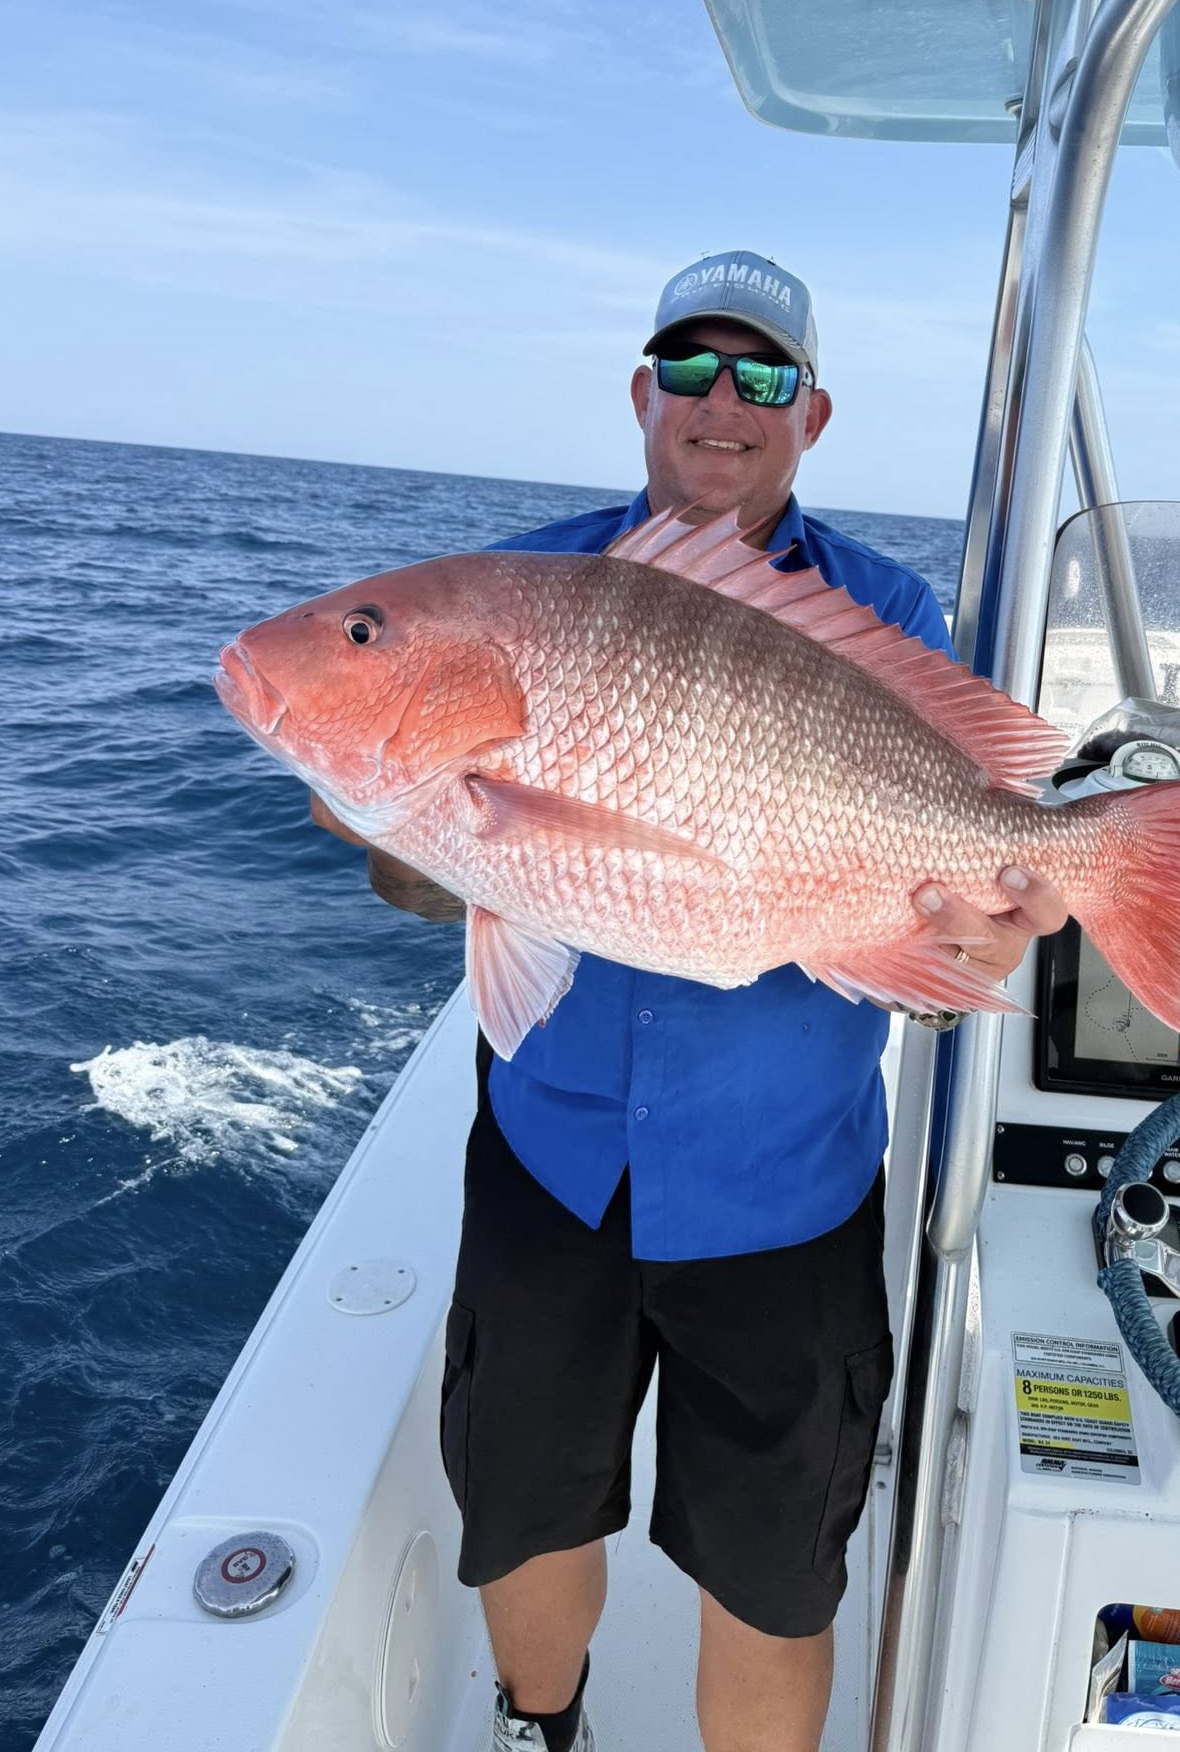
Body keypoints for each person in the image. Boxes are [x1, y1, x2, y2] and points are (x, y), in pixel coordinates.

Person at [313, 250, 1065, 1752]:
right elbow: (419, 885)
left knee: (772, 1573)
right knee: (523, 1507)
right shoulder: (522, 592)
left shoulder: (887, 609)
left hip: (785, 1184)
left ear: (812, 414)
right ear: (643, 394)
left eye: (765, 374)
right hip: (554, 1159)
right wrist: (410, 822)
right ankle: (541, 1734)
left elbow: (963, 927)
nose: (727, 400)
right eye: (693, 367)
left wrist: (986, 940)